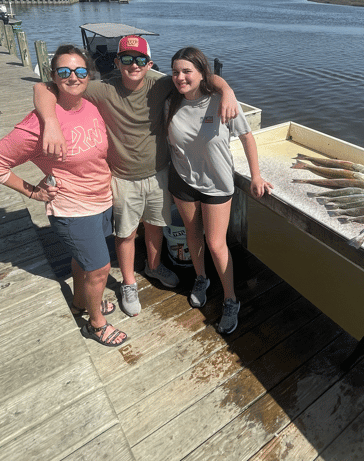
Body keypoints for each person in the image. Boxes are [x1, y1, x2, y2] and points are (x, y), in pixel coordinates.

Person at [34, 35, 239, 317]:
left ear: (149, 63)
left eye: (140, 59)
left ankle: (153, 267)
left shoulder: (163, 83)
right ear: (117, 62)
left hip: (159, 174)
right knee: (126, 232)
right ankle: (129, 283)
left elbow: (204, 78)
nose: (133, 64)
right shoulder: (101, 89)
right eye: (127, 59)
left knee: (155, 226)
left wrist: (227, 90)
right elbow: (45, 88)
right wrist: (50, 122)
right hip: (122, 176)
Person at [0, 45, 127, 347]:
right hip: (72, 208)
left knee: (83, 261)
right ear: (53, 76)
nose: (73, 77)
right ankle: (96, 324)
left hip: (101, 200)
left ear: (89, 75)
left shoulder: (90, 105)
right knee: (99, 268)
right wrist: (33, 191)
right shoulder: (37, 124)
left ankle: (81, 303)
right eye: (64, 71)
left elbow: (43, 89)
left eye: (80, 71)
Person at [167, 46, 272, 334]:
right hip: (182, 180)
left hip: (217, 183)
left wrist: (256, 176)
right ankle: (201, 277)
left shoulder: (221, 101)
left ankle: (230, 299)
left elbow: (248, 137)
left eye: (187, 71)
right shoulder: (170, 100)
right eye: (176, 72)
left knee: (216, 243)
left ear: (203, 74)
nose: (180, 77)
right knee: (192, 233)